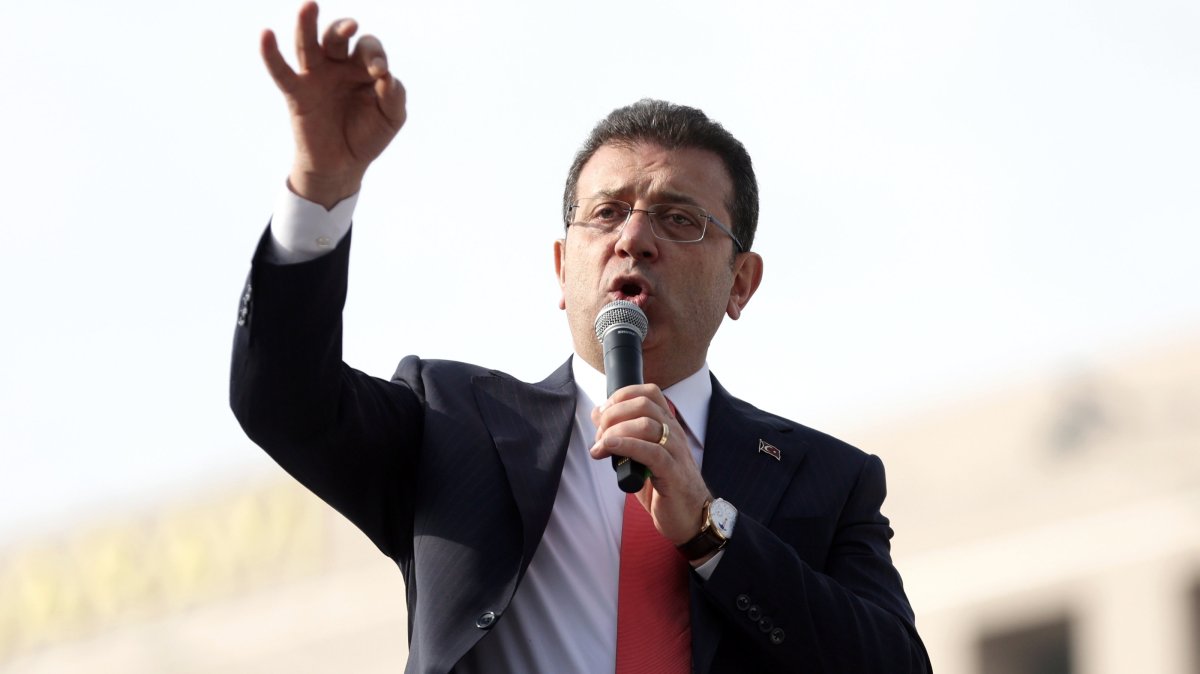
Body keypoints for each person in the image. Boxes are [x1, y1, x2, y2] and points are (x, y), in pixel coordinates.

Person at [230, 3, 932, 673]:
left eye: (679, 219)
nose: (633, 238)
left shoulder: (829, 480)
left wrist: (709, 529)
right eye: (605, 213)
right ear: (564, 268)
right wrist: (322, 187)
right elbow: (285, 403)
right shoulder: (453, 424)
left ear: (741, 282)